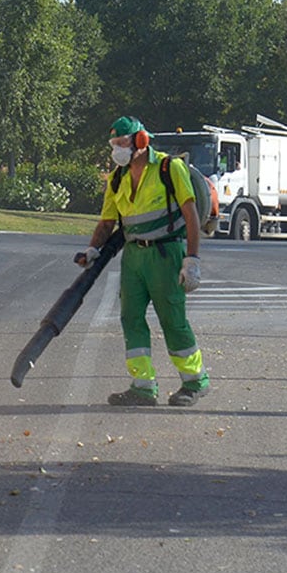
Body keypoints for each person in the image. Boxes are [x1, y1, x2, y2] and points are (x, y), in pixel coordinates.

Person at [76, 116, 209, 407]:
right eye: (113, 145)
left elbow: (191, 216)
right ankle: (143, 386)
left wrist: (192, 259)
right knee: (130, 318)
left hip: (165, 254)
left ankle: (195, 382)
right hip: (134, 256)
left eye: (121, 144)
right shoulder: (117, 178)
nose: (117, 151)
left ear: (140, 141)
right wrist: (92, 249)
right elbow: (107, 221)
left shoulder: (168, 168)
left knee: (172, 320)